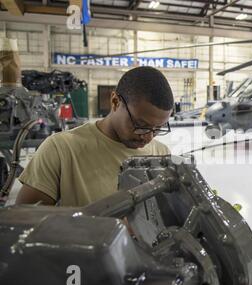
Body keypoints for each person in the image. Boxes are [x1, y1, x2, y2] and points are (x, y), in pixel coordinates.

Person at [16, 66, 173, 207]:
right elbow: (26, 218)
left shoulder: (160, 154)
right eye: (141, 125)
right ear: (115, 102)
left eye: (157, 128)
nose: (148, 137)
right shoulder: (61, 149)